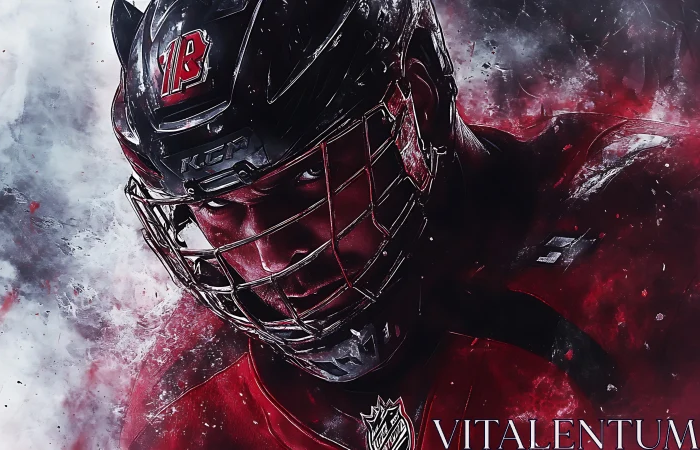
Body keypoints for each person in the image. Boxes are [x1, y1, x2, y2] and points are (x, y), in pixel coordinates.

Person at [109, 0, 700, 448]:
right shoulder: (189, 406)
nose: (271, 257)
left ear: (411, 106)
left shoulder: (656, 233)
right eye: (218, 205)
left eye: (305, 181)